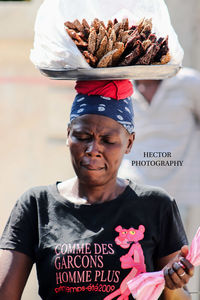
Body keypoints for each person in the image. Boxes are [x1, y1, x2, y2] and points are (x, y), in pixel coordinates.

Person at [0, 81, 194, 300]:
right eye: (82, 137)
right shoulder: (36, 205)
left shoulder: (156, 205)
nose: (93, 150)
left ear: (129, 143)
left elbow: (179, 297)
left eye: (108, 140)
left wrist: (173, 283)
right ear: (68, 134)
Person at [118, 68, 200, 296]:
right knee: (137, 273)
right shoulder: (118, 84)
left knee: (181, 275)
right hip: (133, 200)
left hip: (182, 195)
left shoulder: (190, 83)